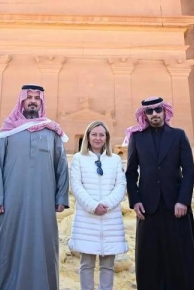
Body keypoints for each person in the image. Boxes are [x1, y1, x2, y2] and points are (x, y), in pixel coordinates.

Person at [0, 84, 70, 290]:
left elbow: (61, 165)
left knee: (43, 245)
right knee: (8, 243)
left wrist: (61, 197)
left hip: (43, 200)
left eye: (37, 98)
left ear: (41, 102)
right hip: (11, 200)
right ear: (21, 101)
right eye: (28, 97)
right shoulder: (7, 131)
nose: (32, 100)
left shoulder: (52, 132)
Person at [123, 96, 194, 290]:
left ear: (164, 111)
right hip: (148, 207)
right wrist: (135, 200)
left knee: (179, 253)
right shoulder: (137, 137)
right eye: (149, 112)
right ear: (145, 115)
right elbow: (131, 172)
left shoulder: (178, 135)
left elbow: (189, 170)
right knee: (150, 255)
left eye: (157, 110)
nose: (154, 115)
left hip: (176, 206)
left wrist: (183, 200)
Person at [68, 121, 127, 290]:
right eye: (94, 134)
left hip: (110, 217)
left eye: (101, 135)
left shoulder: (115, 160)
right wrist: (93, 206)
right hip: (87, 217)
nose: (98, 138)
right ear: (88, 136)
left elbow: (120, 185)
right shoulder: (79, 159)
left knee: (108, 264)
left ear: (106, 137)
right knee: (86, 264)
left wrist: (106, 204)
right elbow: (76, 186)